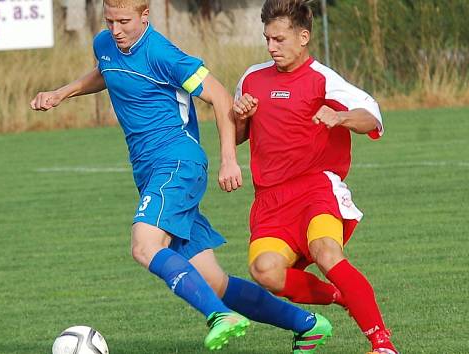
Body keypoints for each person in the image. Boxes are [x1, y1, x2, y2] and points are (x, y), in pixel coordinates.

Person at [31, 0, 333, 352]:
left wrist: (229, 159)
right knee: (214, 281)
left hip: (176, 163)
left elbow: (220, 97)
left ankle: (219, 316)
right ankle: (306, 325)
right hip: (149, 171)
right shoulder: (106, 44)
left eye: (124, 21)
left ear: (146, 16)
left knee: (144, 246)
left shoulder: (164, 54)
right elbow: (106, 70)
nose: (116, 30)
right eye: (109, 21)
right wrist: (61, 93)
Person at [232, 1, 399, 354]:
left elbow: (372, 117)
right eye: (267, 39)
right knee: (265, 272)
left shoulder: (323, 79)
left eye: (279, 39)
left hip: (315, 189)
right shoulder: (251, 78)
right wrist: (240, 117)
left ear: (303, 37)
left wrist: (340, 119)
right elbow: (235, 135)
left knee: (326, 252)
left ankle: (382, 343)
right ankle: (341, 296)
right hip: (270, 200)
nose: (271, 47)